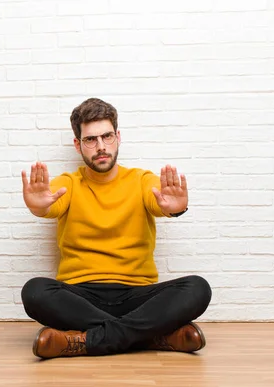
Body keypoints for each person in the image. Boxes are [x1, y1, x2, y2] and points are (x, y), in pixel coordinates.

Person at [20, 98, 212, 359]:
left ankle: (82, 341)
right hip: (82, 296)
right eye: (90, 139)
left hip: (138, 294)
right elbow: (50, 205)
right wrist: (39, 208)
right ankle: (154, 336)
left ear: (118, 137)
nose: (101, 147)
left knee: (198, 288)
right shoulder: (69, 184)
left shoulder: (142, 180)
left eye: (107, 136)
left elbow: (160, 202)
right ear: (78, 145)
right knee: (35, 291)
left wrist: (174, 207)